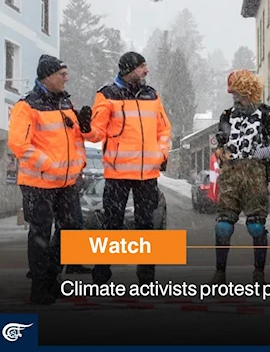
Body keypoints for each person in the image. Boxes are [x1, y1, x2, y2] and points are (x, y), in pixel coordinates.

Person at [77, 52, 172, 285]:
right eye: (142, 67)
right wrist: (86, 127)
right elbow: (97, 132)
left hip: (147, 174)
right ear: (129, 70)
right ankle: (101, 276)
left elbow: (164, 130)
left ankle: (147, 279)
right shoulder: (107, 95)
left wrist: (161, 154)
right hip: (118, 173)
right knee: (112, 226)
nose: (146, 71)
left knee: (146, 227)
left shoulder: (152, 95)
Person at [8, 55, 87, 304]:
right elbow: (18, 143)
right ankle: (40, 287)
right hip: (38, 183)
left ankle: (52, 278)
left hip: (66, 183)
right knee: (40, 234)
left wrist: (81, 156)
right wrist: (48, 165)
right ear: (47, 77)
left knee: (71, 230)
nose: (67, 78)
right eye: (62, 74)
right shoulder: (27, 106)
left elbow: (76, 139)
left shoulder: (65, 102)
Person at [208, 69, 270, 285]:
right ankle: (220, 273)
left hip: (255, 173)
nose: (236, 100)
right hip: (231, 173)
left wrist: (262, 153)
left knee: (255, 226)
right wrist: (221, 153)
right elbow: (220, 142)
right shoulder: (227, 115)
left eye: (239, 95)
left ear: (250, 92)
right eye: (234, 95)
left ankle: (259, 272)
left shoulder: (269, 114)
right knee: (223, 226)